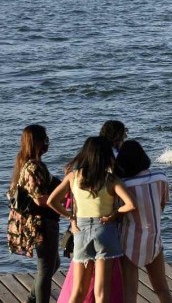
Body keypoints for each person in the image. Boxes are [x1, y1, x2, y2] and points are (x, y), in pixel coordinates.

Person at [48, 136, 136, 303]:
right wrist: (114, 215)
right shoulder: (110, 179)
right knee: (102, 293)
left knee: (78, 291)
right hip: (105, 231)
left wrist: (70, 216)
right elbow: (131, 204)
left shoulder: (73, 177)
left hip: (81, 231)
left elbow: (52, 201)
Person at [7, 125, 61, 303]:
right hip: (42, 222)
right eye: (44, 138)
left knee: (53, 264)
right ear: (36, 142)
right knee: (46, 269)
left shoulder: (24, 163)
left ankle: (32, 299)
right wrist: (63, 206)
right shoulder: (33, 167)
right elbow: (39, 199)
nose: (47, 142)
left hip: (38, 222)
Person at [116, 140, 172, 303]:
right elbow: (161, 206)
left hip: (130, 242)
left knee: (129, 293)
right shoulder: (160, 177)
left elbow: (120, 213)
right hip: (154, 239)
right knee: (162, 289)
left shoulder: (124, 185)